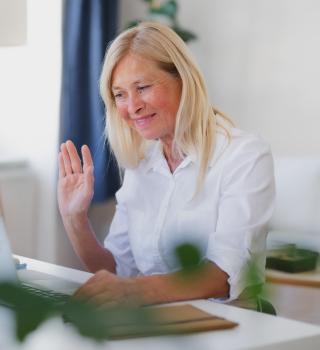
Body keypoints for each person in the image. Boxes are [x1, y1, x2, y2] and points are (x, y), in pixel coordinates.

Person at [57, 22, 275, 310]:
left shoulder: (244, 155)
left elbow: (224, 274)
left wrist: (134, 292)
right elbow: (115, 270)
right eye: (120, 94)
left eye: (143, 87)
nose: (131, 106)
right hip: (160, 321)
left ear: (183, 80)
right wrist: (74, 219)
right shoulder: (141, 164)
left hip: (231, 321)